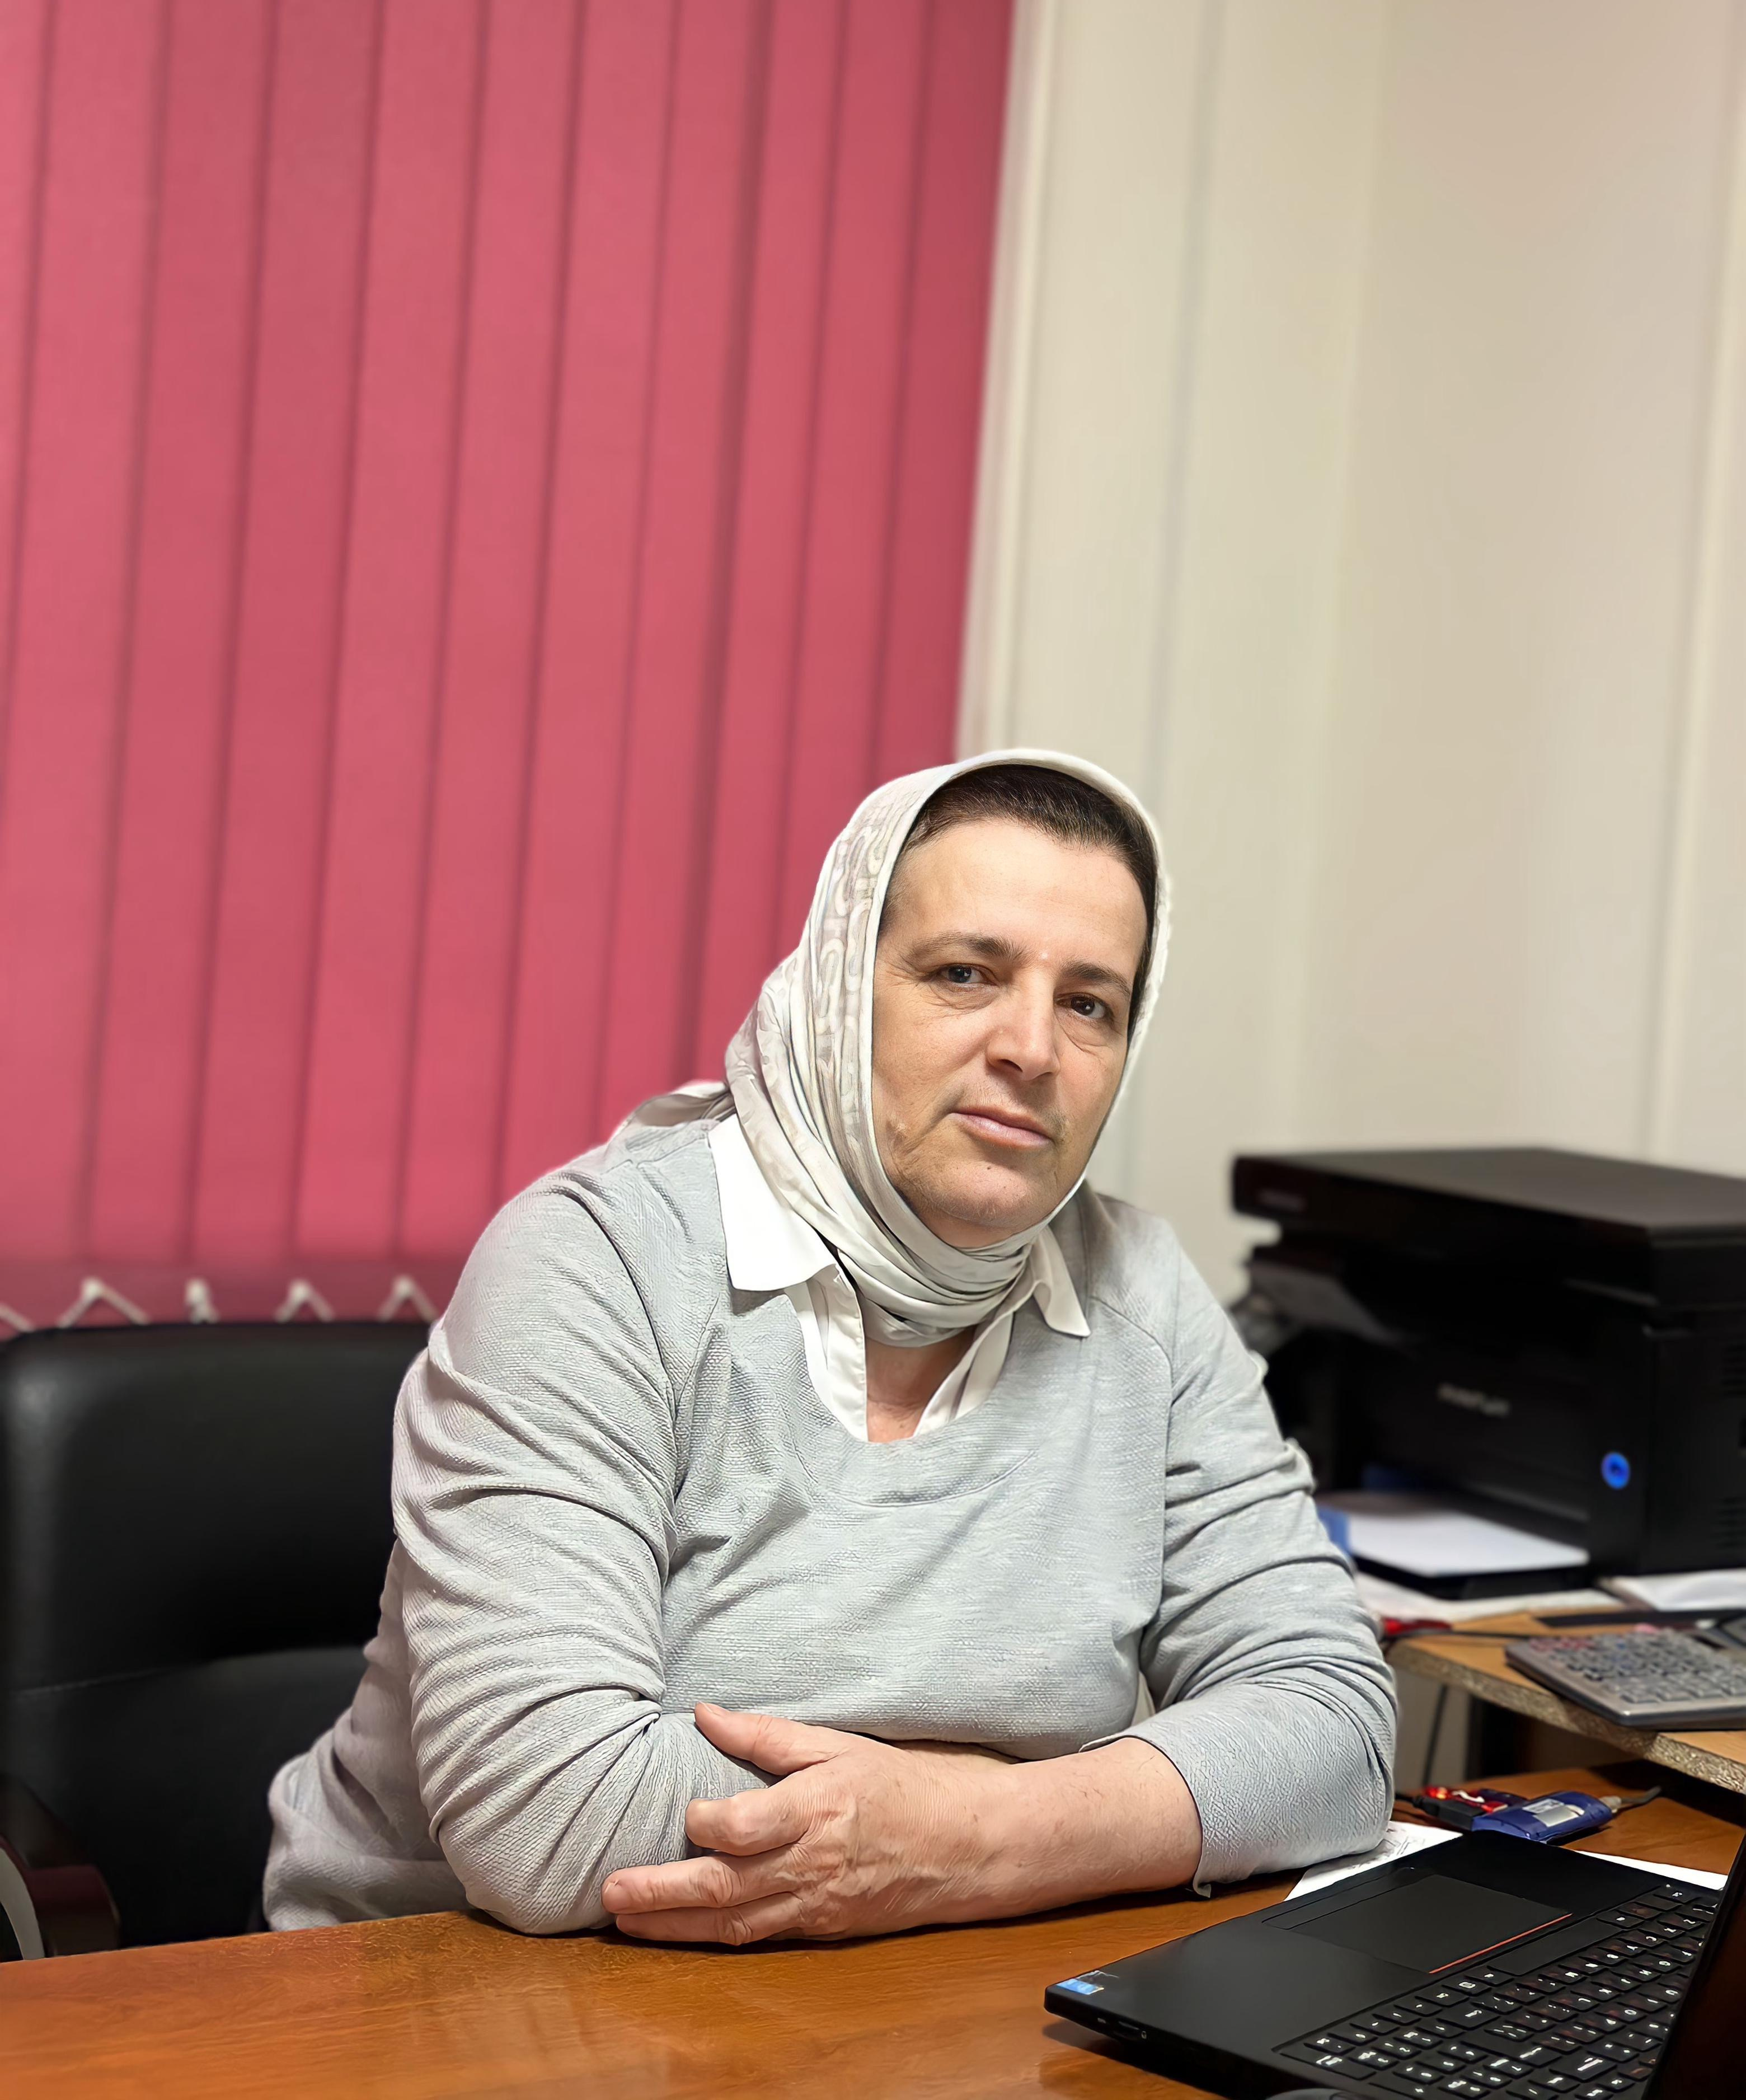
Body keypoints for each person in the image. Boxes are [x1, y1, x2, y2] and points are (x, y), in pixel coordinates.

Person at [266, 750, 1393, 1943]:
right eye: (964, 974)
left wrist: (970, 1833)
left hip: (911, 1986)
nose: (1033, 1049)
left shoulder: (1142, 1295)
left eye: (1089, 1004)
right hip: (429, 1989)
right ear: (841, 986)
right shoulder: (598, 1260)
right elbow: (548, 1814)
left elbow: (1337, 1729)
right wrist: (1090, 1806)